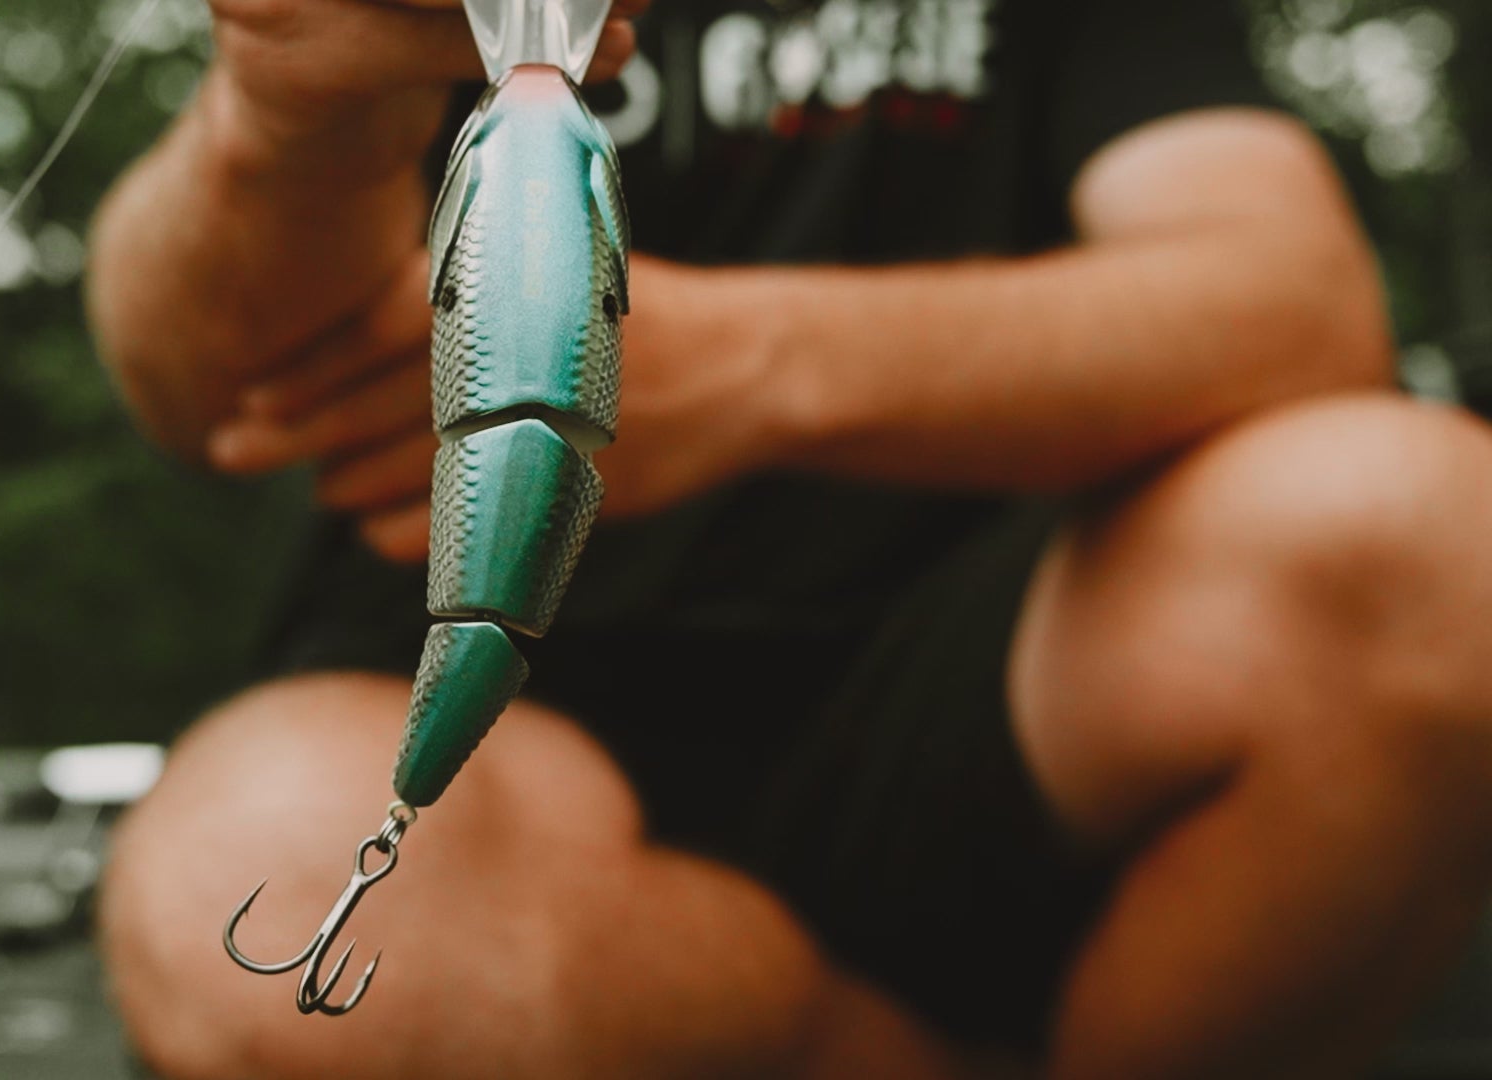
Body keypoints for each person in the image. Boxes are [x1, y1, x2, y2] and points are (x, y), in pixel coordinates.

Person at [84, 0, 1492, 1076]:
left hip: (986, 699)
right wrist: (280, 116)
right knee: (258, 900)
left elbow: (1301, 304)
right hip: (468, 724)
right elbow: (193, 384)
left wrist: (751, 364)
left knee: (1435, 532)